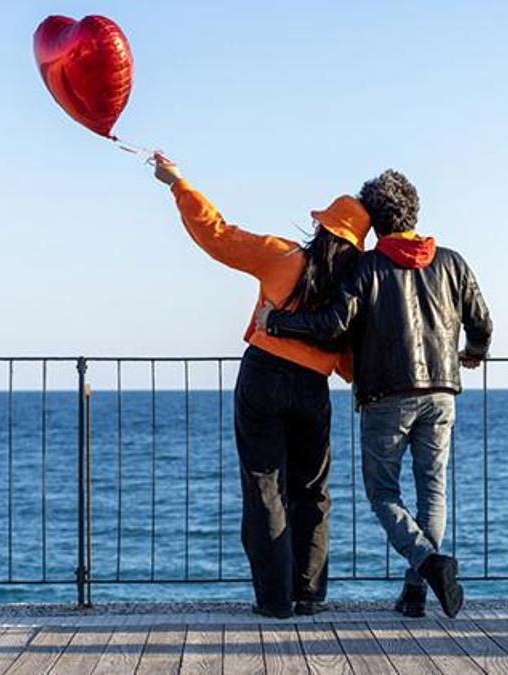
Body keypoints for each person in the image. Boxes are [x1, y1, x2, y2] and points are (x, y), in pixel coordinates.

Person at [257, 169, 492, 619]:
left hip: (387, 396)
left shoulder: (366, 269)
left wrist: (275, 323)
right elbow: (482, 322)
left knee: (383, 491)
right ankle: (415, 594)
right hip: (442, 392)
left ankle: (428, 564)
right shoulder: (453, 263)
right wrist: (473, 353)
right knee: (433, 492)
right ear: (414, 212)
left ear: (376, 223)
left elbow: (330, 327)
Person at [153, 152, 370, 618]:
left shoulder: (282, 255)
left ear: (320, 229)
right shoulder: (355, 286)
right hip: (314, 388)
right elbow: (350, 357)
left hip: (264, 376)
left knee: (264, 488)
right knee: (312, 490)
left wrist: (178, 184)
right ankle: (309, 594)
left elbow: (219, 236)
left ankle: (274, 601)